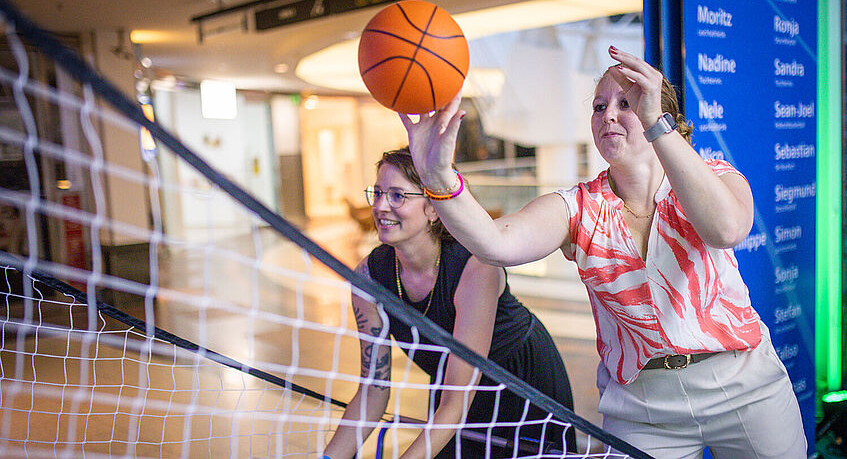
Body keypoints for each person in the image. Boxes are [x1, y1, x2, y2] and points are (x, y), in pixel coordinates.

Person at [400, 46, 806, 459]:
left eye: (626, 103)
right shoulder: (577, 207)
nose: (608, 114)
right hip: (642, 407)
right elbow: (495, 242)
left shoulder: (714, 176)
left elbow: (727, 228)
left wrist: (654, 124)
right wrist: (437, 177)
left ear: (660, 114)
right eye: (599, 106)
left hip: (743, 385)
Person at [323, 147, 576, 458]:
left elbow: (456, 403)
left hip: (520, 383)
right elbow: (373, 389)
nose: (380, 206)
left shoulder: (475, 265)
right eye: (376, 193)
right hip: (451, 389)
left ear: (432, 207)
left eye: (397, 196)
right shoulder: (368, 276)